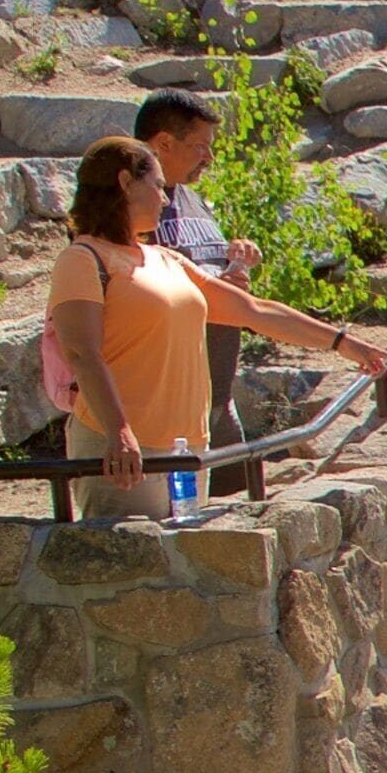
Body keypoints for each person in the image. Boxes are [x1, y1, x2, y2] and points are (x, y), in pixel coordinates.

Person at [48, 135, 387, 520]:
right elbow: (82, 352)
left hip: (187, 449)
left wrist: (344, 343)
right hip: (125, 447)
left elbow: (253, 310)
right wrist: (119, 431)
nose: (165, 199)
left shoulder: (164, 258)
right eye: (158, 186)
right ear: (125, 182)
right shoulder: (82, 259)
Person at [139, 91, 265, 494]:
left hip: (217, 400)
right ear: (163, 143)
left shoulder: (192, 198)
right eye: (200, 147)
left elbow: (205, 273)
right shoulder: (133, 210)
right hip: (170, 416)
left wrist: (236, 261)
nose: (209, 158)